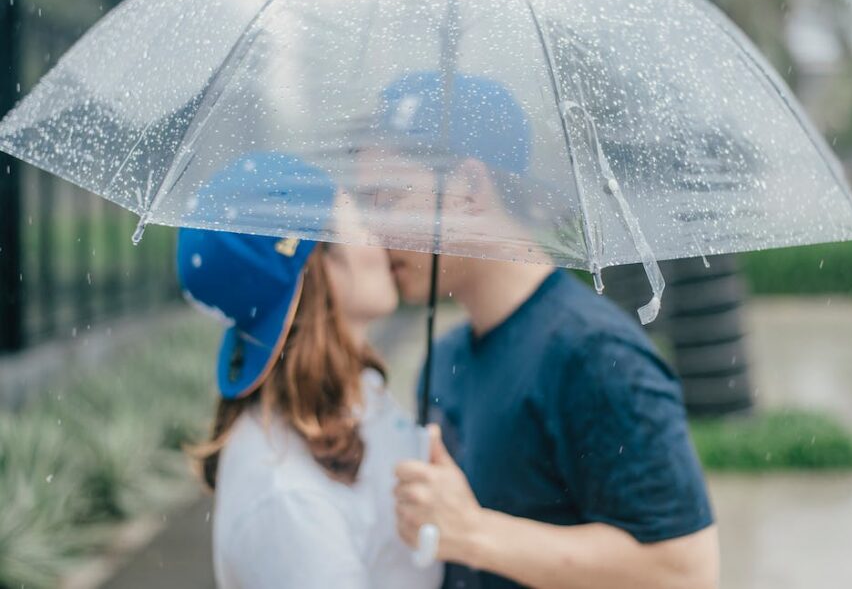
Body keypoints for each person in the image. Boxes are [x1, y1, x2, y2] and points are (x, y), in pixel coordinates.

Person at [375, 73, 721, 589]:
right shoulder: (443, 360)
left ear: (469, 187)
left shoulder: (594, 355)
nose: (375, 232)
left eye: (387, 199)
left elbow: (685, 570)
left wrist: (474, 533)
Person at [176, 153, 442, 589]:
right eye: (359, 219)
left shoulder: (356, 391)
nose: (380, 236)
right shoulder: (288, 499)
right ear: (318, 269)